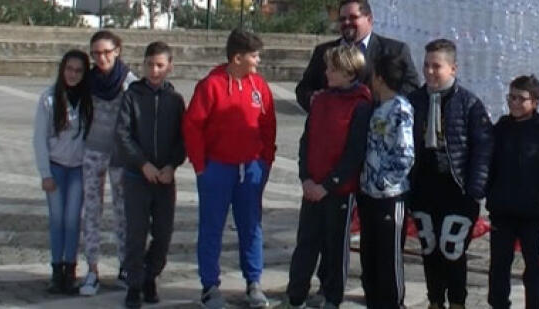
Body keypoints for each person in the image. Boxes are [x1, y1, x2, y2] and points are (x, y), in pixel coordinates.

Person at [184, 28, 278, 309]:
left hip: (250, 168)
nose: (258, 61)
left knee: (251, 226)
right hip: (217, 169)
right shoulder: (210, 86)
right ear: (237, 57)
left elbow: (268, 125)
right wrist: (201, 166)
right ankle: (210, 286)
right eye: (254, 55)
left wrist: (265, 161)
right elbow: (192, 126)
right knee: (211, 227)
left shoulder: (259, 86)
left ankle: (254, 281)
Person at [280, 45, 373, 309]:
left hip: (339, 191)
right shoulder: (321, 101)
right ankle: (295, 295)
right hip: (313, 187)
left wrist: (329, 185)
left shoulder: (360, 106)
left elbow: (354, 153)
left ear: (349, 72)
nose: (327, 73)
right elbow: (307, 140)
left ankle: (332, 297)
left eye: (332, 69)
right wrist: (306, 178)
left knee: (335, 248)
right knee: (305, 244)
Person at [408, 38, 493, 309]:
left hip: (457, 189)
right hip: (424, 187)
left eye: (437, 66)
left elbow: (483, 148)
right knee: (429, 247)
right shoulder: (415, 100)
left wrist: (475, 188)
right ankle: (435, 300)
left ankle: (457, 301)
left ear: (452, 69)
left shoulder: (469, 103)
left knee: (452, 249)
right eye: (426, 66)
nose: (430, 72)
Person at [115, 41, 186, 308]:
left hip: (165, 179)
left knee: (163, 233)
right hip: (137, 178)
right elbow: (123, 136)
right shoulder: (132, 96)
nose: (154, 71)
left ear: (169, 67)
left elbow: (183, 138)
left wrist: (171, 165)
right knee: (136, 233)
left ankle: (150, 275)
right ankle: (133, 283)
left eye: (159, 65)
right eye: (149, 65)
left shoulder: (175, 100)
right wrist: (142, 164)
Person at [486, 74, 539, 309]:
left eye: (521, 99)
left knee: (534, 266)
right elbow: (488, 163)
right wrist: (490, 190)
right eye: (511, 98)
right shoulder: (501, 128)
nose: (514, 104)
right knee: (499, 265)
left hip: (532, 213)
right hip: (503, 210)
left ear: (535, 102)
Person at [80, 29, 139, 296]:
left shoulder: (128, 82)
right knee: (91, 211)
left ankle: (125, 266)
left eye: (106, 52)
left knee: (122, 213)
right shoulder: (88, 80)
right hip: (93, 151)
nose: (101, 58)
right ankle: (92, 269)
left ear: (117, 51)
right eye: (96, 53)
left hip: (120, 157)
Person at [357, 53, 416, 309]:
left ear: (379, 78)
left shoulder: (400, 108)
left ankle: (393, 303)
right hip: (368, 195)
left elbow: (405, 154)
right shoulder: (378, 106)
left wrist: (384, 182)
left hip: (390, 197)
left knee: (388, 258)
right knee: (369, 256)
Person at [33, 49, 93, 295]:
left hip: (78, 169)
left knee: (72, 220)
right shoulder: (49, 98)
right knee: (57, 220)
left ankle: (71, 269)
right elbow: (39, 139)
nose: (73, 75)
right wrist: (45, 173)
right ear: (62, 70)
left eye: (79, 71)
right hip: (56, 168)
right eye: (69, 69)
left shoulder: (90, 100)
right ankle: (56, 270)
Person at [295, 0, 420, 113]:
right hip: (332, 128)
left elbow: (411, 87)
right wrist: (313, 99)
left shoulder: (395, 50)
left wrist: (382, 106)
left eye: (353, 17)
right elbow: (303, 88)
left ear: (369, 19)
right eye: (342, 19)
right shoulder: (323, 51)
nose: (347, 22)